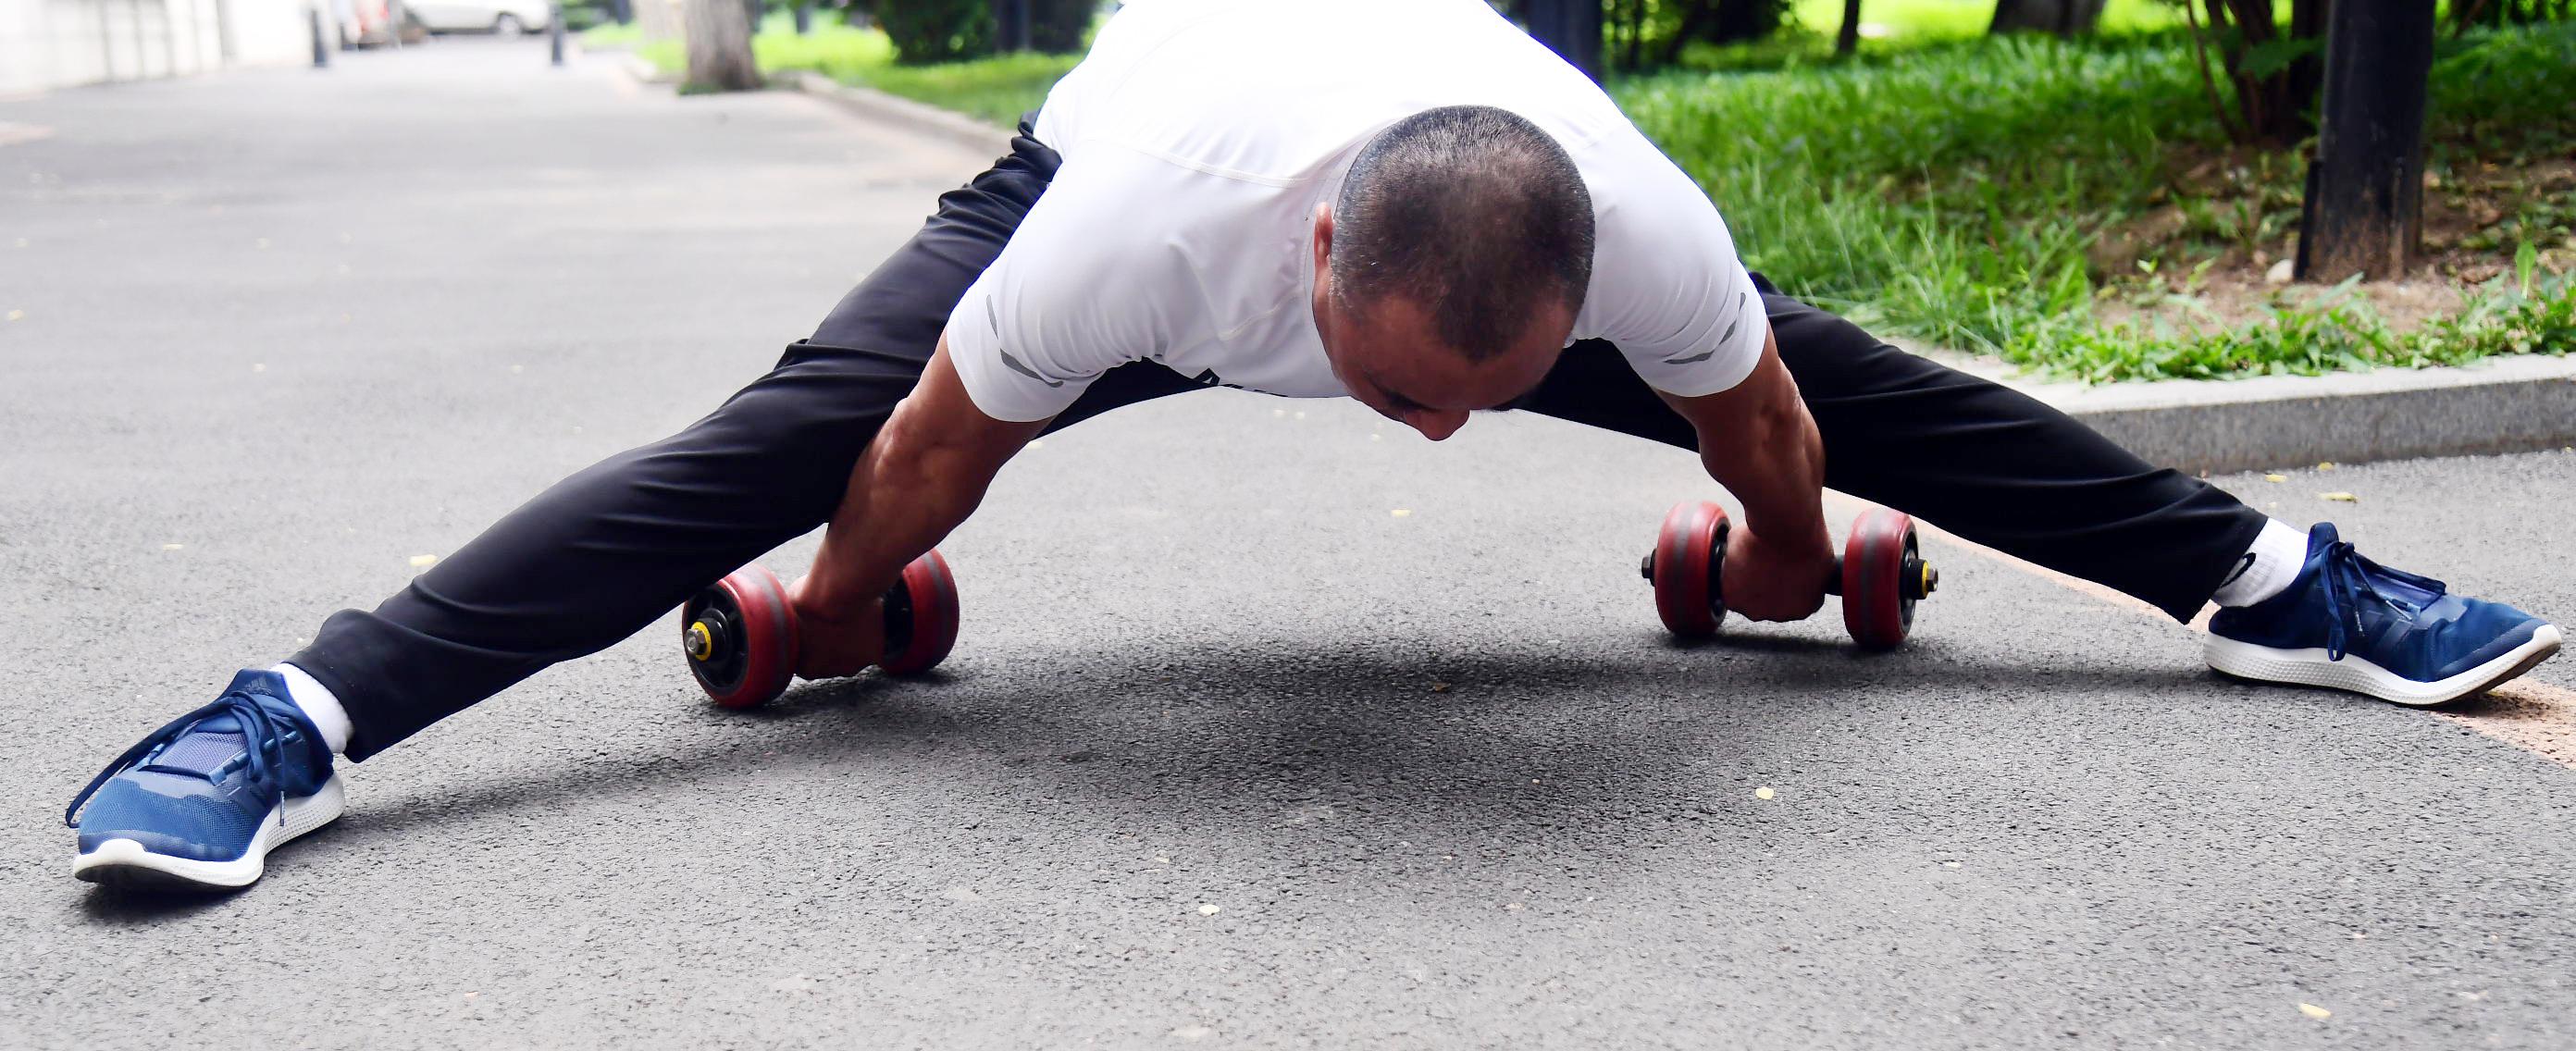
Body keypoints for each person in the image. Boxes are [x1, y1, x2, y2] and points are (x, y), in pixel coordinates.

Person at [64, 0, 2560, 892]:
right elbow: (937, 449)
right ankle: (298, 712)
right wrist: (835, 606)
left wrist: (1792, 553)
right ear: (1323, 263)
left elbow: (1777, 417)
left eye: (1504, 391)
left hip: (1475, 210)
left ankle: (2273, 578)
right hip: (1110, 178)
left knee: (1892, 385)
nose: (1449, 440)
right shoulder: (1135, 243)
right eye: (1406, 395)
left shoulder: (1637, 241)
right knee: (765, 443)